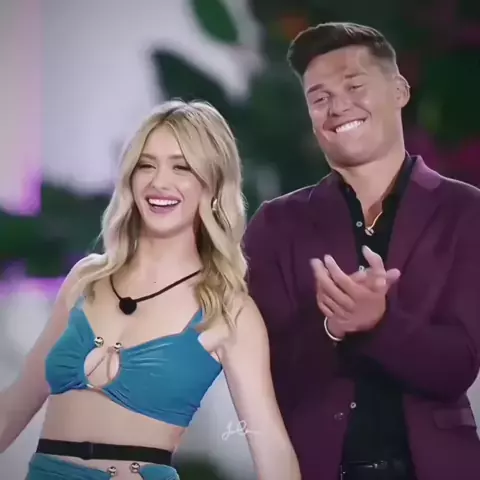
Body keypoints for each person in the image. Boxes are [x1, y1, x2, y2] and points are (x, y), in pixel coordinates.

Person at [0, 100, 301, 480]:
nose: (159, 182)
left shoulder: (229, 310)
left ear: (212, 184)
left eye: (181, 167)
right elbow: (14, 405)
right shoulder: (86, 279)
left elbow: (272, 449)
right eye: (146, 165)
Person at [244, 21, 480, 480]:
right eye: (319, 98)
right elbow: (265, 377)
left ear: (399, 90)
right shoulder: (276, 225)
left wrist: (380, 324)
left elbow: (458, 365)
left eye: (354, 86)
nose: (337, 107)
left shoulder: (466, 212)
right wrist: (331, 328)